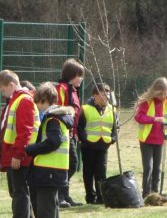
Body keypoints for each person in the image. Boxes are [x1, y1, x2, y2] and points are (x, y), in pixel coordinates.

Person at [0, 69, 40, 218]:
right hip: (15, 154)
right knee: (18, 192)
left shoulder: (23, 100)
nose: (3, 94)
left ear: (11, 84)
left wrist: (18, 154)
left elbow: (25, 130)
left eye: (3, 89)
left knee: (20, 193)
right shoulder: (15, 100)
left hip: (20, 156)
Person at [25, 82, 75, 218]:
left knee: (45, 211)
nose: (37, 107)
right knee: (51, 208)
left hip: (49, 170)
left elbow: (53, 142)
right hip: (52, 170)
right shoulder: (58, 117)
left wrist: (31, 149)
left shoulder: (53, 119)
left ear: (45, 100)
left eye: (39, 103)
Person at [134, 77, 167, 198]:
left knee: (157, 167)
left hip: (161, 139)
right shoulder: (147, 102)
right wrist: (154, 119)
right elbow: (138, 117)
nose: (162, 96)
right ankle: (146, 193)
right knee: (148, 167)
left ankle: (155, 192)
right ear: (155, 91)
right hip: (146, 139)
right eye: (160, 93)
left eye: (165, 93)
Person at [78, 83, 116, 204]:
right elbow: (80, 127)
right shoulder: (85, 108)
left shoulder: (112, 110)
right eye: (103, 93)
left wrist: (113, 138)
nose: (106, 96)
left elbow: (115, 127)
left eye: (108, 93)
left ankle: (101, 197)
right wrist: (85, 140)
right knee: (88, 173)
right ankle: (90, 197)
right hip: (88, 147)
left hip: (103, 146)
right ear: (95, 95)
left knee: (101, 172)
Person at [56, 58, 84, 207]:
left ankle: (65, 196)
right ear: (72, 75)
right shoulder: (62, 88)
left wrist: (75, 132)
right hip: (62, 133)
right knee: (70, 164)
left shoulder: (73, 90)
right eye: (80, 75)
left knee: (72, 164)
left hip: (71, 134)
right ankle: (60, 196)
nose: (81, 78)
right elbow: (59, 110)